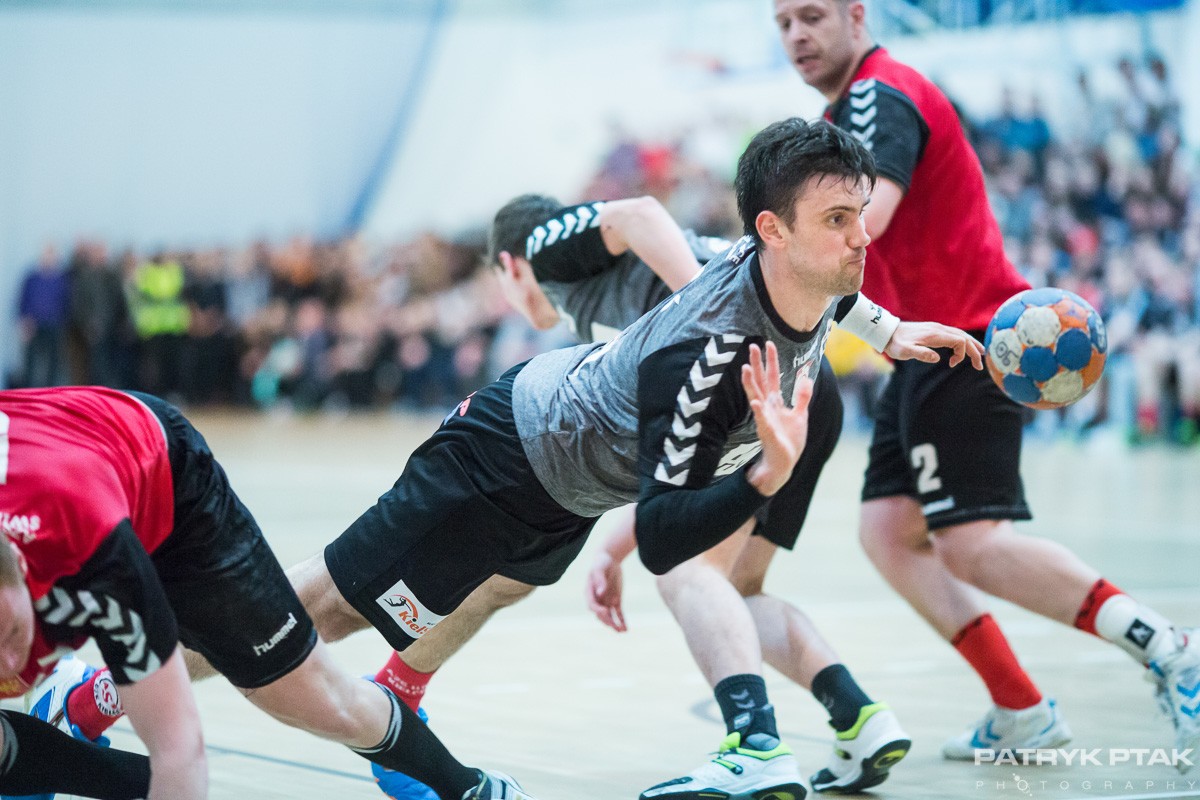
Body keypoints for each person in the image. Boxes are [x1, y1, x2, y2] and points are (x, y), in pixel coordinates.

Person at [276, 117, 978, 800]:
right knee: (323, 613)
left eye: (858, 215)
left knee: (501, 587)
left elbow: (788, 268)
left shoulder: (767, 268)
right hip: (515, 451)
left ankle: (397, 699)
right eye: (839, 220)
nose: (863, 237)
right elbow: (665, 533)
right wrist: (763, 466)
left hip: (586, 478)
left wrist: (888, 331)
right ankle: (226, 633)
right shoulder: (707, 348)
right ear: (772, 230)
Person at [773, 0, 1199, 764]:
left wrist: (760, 263)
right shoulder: (851, 107)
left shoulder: (877, 93)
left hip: (964, 341)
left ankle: (1169, 646)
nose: (797, 35)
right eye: (783, 24)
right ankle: (1020, 707)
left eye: (811, 16)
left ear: (856, 16)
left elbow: (864, 221)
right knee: (887, 532)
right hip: (920, 351)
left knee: (970, 546)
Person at [374, 193, 908, 798]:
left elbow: (644, 213)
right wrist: (615, 546)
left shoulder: (554, 252)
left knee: (689, 572)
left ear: (509, 266)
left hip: (757, 390)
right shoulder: (606, 306)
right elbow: (672, 469)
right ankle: (857, 716)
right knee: (735, 588)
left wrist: (702, 310)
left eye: (504, 285)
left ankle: (755, 744)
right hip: (800, 390)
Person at [0, 387, 537, 800]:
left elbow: (178, 750)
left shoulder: (90, 548)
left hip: (158, 472)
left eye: (12, 633)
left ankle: (466, 787)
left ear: (22, 568)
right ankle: (46, 746)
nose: (7, 664)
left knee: (313, 698)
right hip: (67, 475)